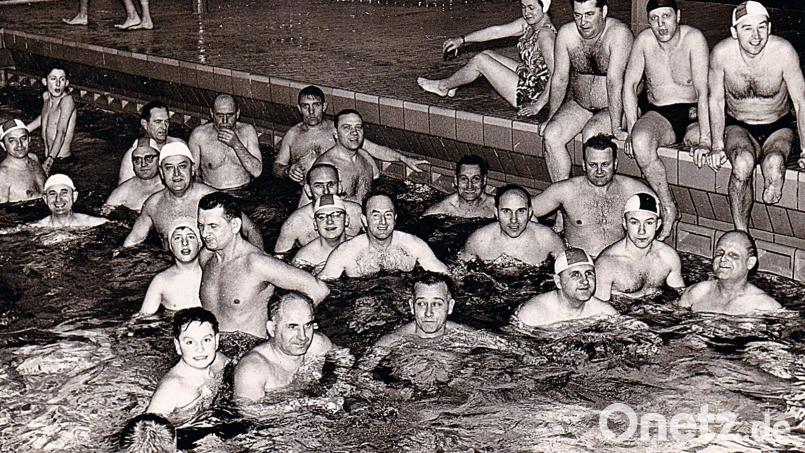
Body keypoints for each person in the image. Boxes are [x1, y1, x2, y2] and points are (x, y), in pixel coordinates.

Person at [706, 1, 805, 231]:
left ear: (769, 28)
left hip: (778, 126)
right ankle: (741, 233)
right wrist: (716, 145)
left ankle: (774, 182)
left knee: (774, 163)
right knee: (742, 164)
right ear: (734, 32)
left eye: (762, 27)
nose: (756, 36)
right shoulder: (722, 54)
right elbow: (716, 100)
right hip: (738, 126)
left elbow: (801, 103)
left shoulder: (783, 52)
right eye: (747, 28)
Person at [622, 0, 711, 239]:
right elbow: (629, 85)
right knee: (640, 142)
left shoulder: (694, 39)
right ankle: (668, 206)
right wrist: (632, 128)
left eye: (666, 16)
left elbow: (704, 92)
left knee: (698, 144)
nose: (661, 24)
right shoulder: (644, 41)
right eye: (654, 19)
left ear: (678, 16)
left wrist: (706, 138)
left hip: (693, 112)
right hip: (661, 113)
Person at [197, 192, 329, 338]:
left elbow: (319, 289)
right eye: (201, 226)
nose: (205, 233)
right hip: (214, 350)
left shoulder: (255, 263)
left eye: (213, 226)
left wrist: (290, 327)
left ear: (235, 225)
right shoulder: (206, 257)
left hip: (250, 351)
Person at [538, 0, 633, 184]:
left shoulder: (619, 34)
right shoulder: (567, 34)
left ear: (603, 11)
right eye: (578, 15)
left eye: (589, 14)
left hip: (615, 108)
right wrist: (551, 116)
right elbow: (559, 79)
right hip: (580, 105)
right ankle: (564, 201)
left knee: (592, 133)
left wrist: (616, 127)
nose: (583, 22)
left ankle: (590, 201)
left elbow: (614, 82)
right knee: (551, 135)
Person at [416, 0, 556, 116]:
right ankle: (455, 84)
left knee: (480, 61)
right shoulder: (528, 24)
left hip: (534, 95)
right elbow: (496, 31)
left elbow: (558, 74)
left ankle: (443, 86)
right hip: (530, 77)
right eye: (523, 7)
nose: (526, 13)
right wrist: (462, 40)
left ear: (544, 7)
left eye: (531, 8)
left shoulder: (545, 35)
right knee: (487, 54)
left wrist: (537, 106)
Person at [273, 86, 427, 185]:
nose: (311, 112)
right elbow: (277, 166)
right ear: (299, 108)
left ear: (324, 106)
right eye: (306, 107)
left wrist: (404, 158)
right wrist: (288, 171)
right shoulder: (293, 135)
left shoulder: (339, 130)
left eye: (316, 105)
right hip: (305, 192)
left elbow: (374, 148)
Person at [530, 135, 654, 257]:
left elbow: (660, 210)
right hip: (579, 265)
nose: (599, 171)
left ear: (615, 164)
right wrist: (547, 240)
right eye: (593, 165)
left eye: (605, 164)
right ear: (584, 165)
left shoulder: (629, 188)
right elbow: (524, 211)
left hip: (617, 262)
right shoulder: (566, 190)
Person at [123, 142, 263, 249]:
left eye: (182, 166)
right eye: (169, 168)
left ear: (193, 169)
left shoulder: (213, 199)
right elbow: (132, 242)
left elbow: (250, 230)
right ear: (161, 172)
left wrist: (256, 263)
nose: (176, 174)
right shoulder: (153, 204)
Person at [317, 193, 449, 279]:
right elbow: (321, 287)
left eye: (388, 215)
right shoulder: (345, 252)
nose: (383, 222)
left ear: (395, 218)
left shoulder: (413, 245)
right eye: (375, 215)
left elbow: (446, 276)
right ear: (364, 220)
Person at [233, 293, 334, 400]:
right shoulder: (252, 370)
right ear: (272, 328)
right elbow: (250, 414)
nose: (303, 336)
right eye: (292, 327)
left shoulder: (318, 345)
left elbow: (344, 361)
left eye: (307, 325)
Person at [594, 193, 685, 302]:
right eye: (634, 222)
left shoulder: (668, 256)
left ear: (658, 224)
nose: (642, 231)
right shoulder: (607, 264)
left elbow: (682, 299)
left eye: (649, 222)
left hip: (658, 311)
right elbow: (599, 311)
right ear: (624, 223)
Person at [146, 308, 228, 425]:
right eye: (190, 342)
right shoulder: (172, 388)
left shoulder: (220, 362)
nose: (200, 349)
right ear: (178, 346)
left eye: (206, 340)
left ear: (216, 341)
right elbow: (147, 429)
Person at [678, 230, 781, 315]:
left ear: (750, 263)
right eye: (720, 253)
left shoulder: (764, 305)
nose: (723, 259)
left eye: (733, 255)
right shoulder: (696, 293)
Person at [461, 184, 564, 266]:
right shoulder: (478, 241)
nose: (514, 219)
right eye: (506, 211)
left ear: (529, 213)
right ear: (496, 212)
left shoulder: (547, 239)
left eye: (520, 211)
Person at [273, 163, 363, 257]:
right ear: (308, 190)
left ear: (339, 186)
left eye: (330, 184)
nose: (326, 191)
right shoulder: (295, 224)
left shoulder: (356, 213)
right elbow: (279, 261)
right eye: (319, 186)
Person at [513, 247, 617, 327]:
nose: (585, 281)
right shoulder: (532, 314)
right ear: (558, 282)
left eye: (589, 273)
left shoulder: (605, 312)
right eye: (575, 275)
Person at [188, 94, 262, 190]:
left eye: (230, 115)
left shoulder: (247, 131)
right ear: (211, 113)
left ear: (237, 113)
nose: (225, 121)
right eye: (219, 115)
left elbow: (257, 171)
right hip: (211, 192)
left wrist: (236, 144)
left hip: (243, 192)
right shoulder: (199, 135)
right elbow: (191, 174)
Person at [309, 109, 379, 204]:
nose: (354, 132)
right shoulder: (325, 166)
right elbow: (307, 208)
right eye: (347, 127)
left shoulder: (366, 158)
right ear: (335, 133)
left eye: (358, 127)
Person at [136, 218, 203, 317]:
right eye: (177, 238)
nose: (184, 243)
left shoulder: (211, 273)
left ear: (200, 243)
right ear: (170, 246)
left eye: (191, 237)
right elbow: (143, 316)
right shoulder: (161, 281)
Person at [118, 101, 184, 184]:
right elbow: (124, 191)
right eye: (158, 122)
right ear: (145, 124)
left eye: (166, 122)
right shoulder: (134, 154)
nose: (164, 127)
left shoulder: (178, 145)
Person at [26, 68, 76, 175]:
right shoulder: (46, 97)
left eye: (61, 80)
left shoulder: (67, 101)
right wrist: (23, 129)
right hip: (48, 157)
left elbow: (61, 132)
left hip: (61, 161)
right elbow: (44, 117)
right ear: (45, 81)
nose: (58, 84)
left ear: (66, 83)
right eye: (53, 79)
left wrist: (49, 161)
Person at [101, 137, 164, 214]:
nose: (143, 164)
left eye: (148, 158)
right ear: (132, 164)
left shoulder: (170, 186)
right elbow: (105, 216)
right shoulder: (123, 192)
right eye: (137, 160)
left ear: (159, 159)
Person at [292, 194, 353, 272]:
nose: (329, 221)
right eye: (322, 217)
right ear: (315, 224)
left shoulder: (360, 246)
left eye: (336, 215)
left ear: (346, 219)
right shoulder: (304, 258)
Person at [422, 155, 496, 218]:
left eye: (475, 179)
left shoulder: (496, 206)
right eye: (464, 179)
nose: (469, 186)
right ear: (455, 180)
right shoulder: (439, 210)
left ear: (484, 180)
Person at [30, 174, 108, 228]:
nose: (58, 199)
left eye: (64, 193)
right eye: (52, 194)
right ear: (45, 199)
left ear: (74, 196)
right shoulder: (34, 228)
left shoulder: (96, 223)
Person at [0, 119, 45, 203]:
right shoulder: (3, 174)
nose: (19, 144)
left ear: (29, 139)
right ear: (3, 145)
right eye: (12, 140)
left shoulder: (34, 159)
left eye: (23, 138)